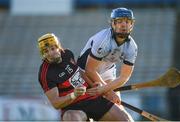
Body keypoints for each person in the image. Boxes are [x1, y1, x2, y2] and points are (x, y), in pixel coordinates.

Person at [37, 33, 134, 121]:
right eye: (46, 51)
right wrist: (73, 95)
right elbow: (56, 103)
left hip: (92, 98)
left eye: (53, 49)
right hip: (72, 107)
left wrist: (97, 87)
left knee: (126, 119)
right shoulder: (45, 74)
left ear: (58, 47)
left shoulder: (67, 54)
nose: (50, 53)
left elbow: (79, 72)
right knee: (71, 118)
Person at [77, 7, 137, 110]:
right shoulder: (103, 40)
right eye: (119, 21)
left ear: (131, 24)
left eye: (127, 21)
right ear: (113, 24)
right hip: (83, 73)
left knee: (119, 110)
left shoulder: (132, 47)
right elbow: (90, 70)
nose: (124, 25)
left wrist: (106, 90)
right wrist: (108, 92)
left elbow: (124, 77)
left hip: (107, 72)